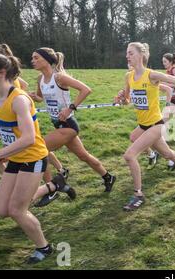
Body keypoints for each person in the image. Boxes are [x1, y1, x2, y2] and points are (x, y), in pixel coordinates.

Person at [115, 42, 175, 212]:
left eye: (130, 53)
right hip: (143, 125)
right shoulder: (128, 76)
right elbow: (129, 100)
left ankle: (138, 195)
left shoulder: (151, 75)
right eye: (127, 53)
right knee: (167, 153)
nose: (127, 56)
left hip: (155, 125)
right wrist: (122, 99)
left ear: (140, 55)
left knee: (129, 155)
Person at [28, 47, 116, 207]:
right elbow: (42, 98)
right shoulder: (40, 79)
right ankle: (108, 176)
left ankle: (51, 189)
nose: (32, 60)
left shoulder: (60, 77)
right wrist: (35, 98)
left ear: (47, 59)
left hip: (68, 125)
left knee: (39, 148)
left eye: (36, 58)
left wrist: (70, 108)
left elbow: (86, 89)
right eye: (32, 58)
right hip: (58, 124)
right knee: (84, 156)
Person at [0, 52, 53, 264]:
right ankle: (51, 187)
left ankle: (44, 247)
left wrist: (0, 154)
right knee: (2, 210)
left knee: (17, 210)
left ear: (1, 73)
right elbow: (1, 124)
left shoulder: (19, 100)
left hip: (32, 159)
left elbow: (28, 138)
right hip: (16, 159)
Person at [0, 44, 28, 192]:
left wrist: (21, 104)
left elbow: (21, 88)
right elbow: (24, 84)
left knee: (36, 149)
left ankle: (53, 182)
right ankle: (7, 177)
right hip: (3, 120)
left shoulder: (9, 83)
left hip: (14, 120)